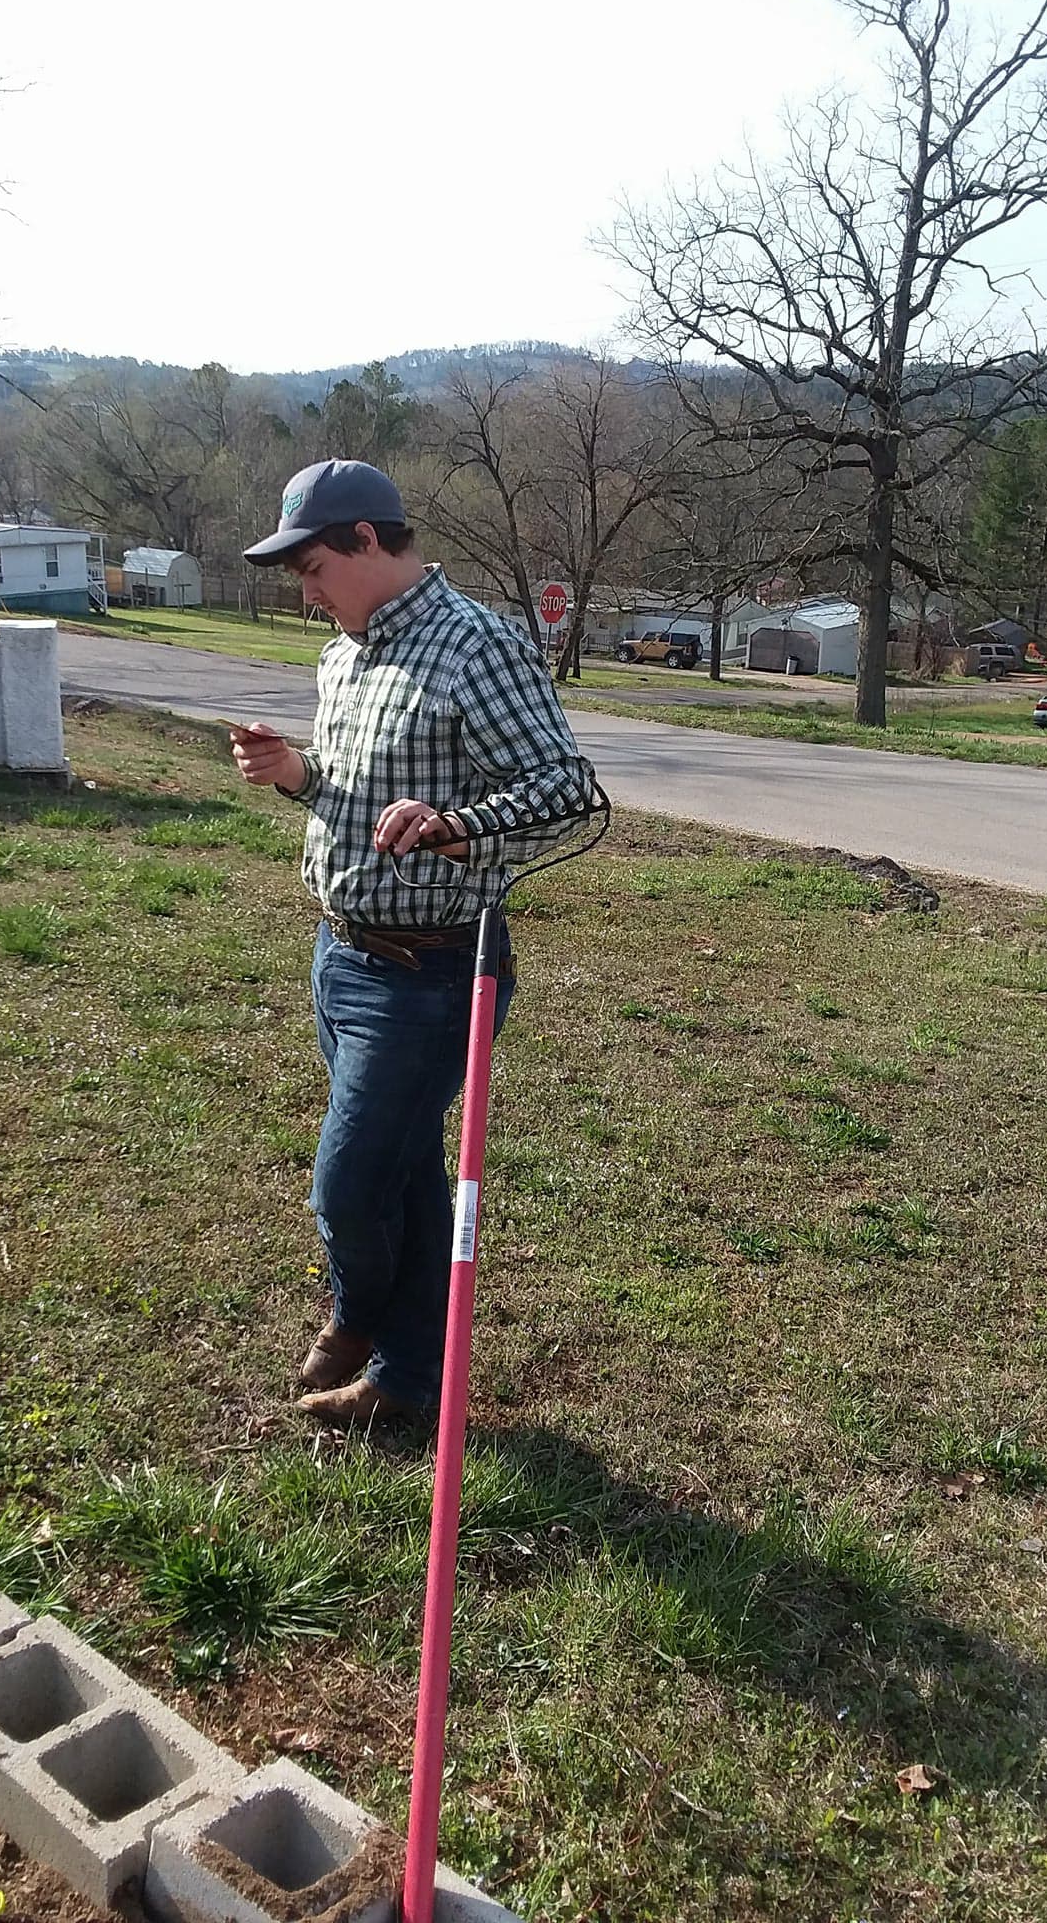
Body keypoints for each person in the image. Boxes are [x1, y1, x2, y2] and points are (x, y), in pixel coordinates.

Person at [231, 458, 595, 1428]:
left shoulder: (478, 644)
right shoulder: (342, 655)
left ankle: (358, 1317)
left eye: (312, 567)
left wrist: (456, 823)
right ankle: (409, 1379)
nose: (304, 592)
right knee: (402, 1172)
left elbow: (568, 790)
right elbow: (355, 792)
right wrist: (298, 772)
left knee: (349, 1186)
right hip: (340, 953)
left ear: (364, 540)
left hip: (431, 969)